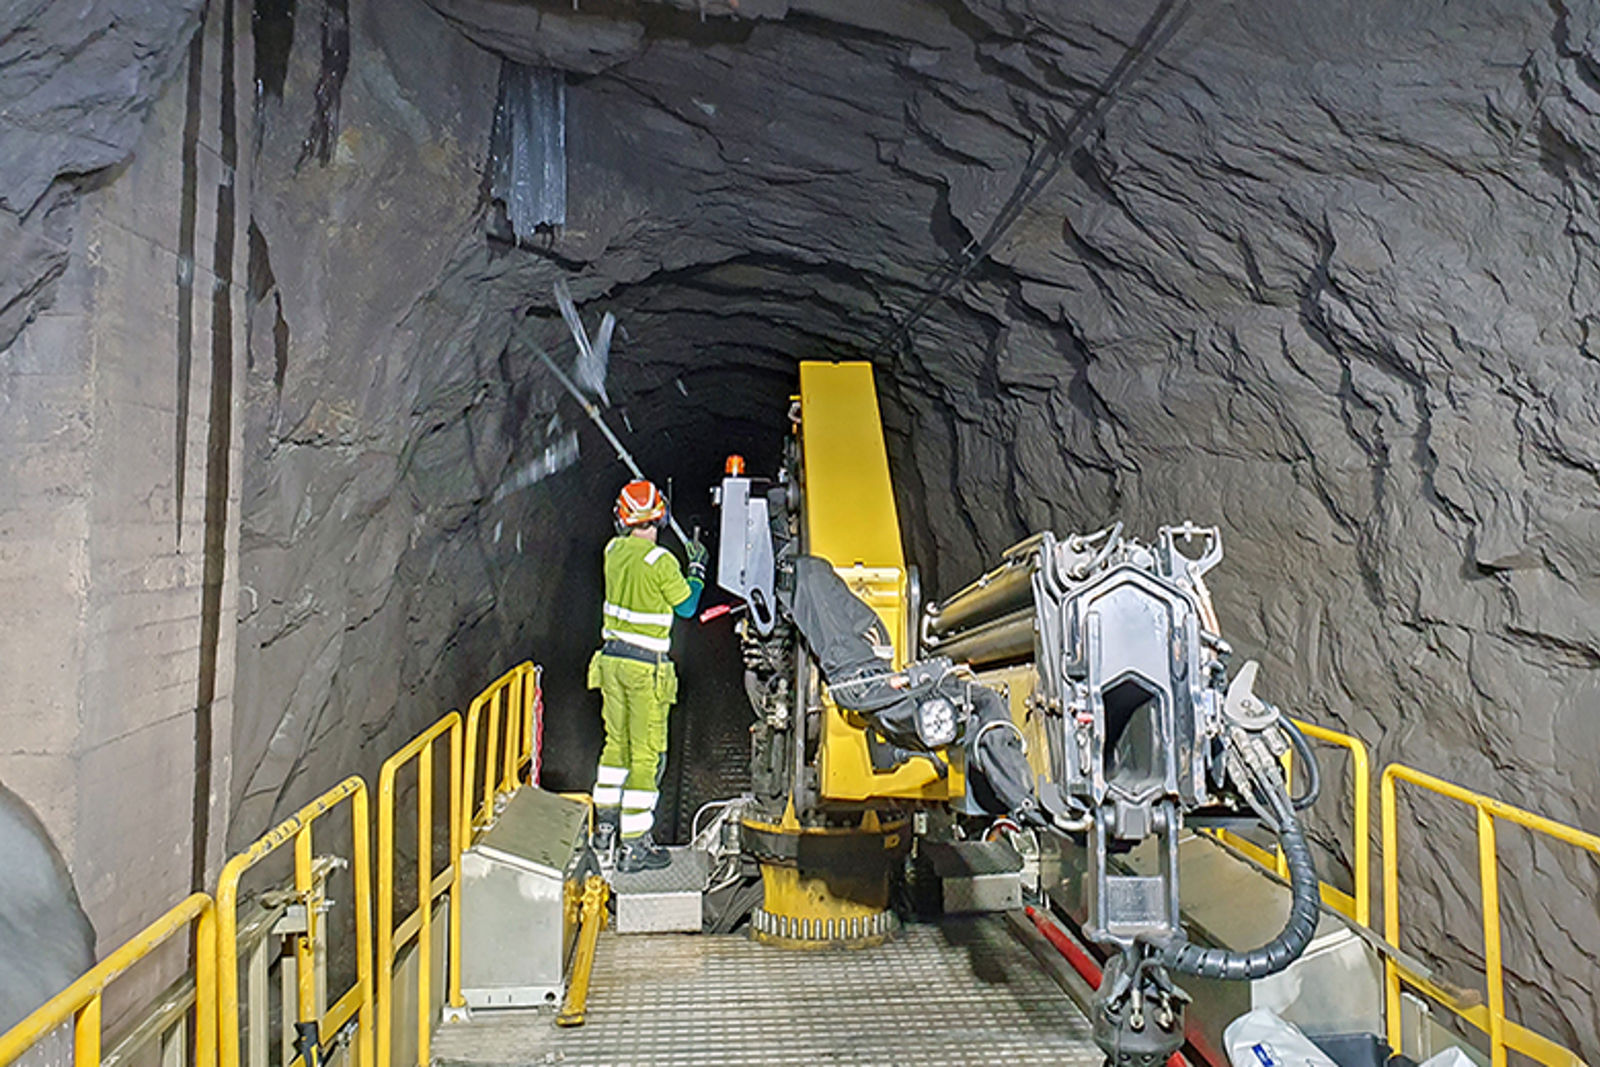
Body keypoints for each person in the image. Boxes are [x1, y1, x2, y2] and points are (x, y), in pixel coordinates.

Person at [587, 479, 707, 872]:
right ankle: (635, 844)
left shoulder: (612, 551)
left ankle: (603, 830)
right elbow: (687, 606)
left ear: (621, 520)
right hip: (644, 671)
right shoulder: (662, 563)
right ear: (662, 515)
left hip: (610, 664)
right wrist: (697, 569)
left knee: (614, 747)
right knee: (646, 755)